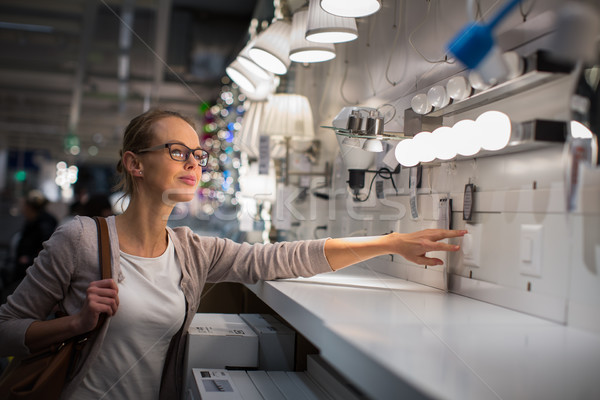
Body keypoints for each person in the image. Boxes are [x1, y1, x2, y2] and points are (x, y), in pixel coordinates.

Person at [0, 109, 466, 400]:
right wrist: (76, 324)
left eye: (198, 156)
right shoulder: (80, 239)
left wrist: (390, 241)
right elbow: (6, 331)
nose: (193, 163)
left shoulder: (192, 251)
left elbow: (281, 258)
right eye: (177, 150)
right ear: (134, 163)